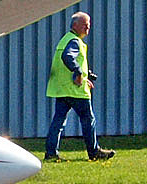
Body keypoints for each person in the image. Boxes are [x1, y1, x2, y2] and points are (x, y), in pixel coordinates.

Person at [44, 11, 115, 161]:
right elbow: (68, 57)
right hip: (74, 91)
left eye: (89, 25)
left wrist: (85, 75)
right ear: (75, 25)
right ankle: (94, 152)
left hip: (61, 89)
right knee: (88, 119)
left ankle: (51, 153)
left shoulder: (66, 39)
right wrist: (77, 73)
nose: (88, 28)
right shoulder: (74, 41)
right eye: (85, 25)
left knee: (58, 122)